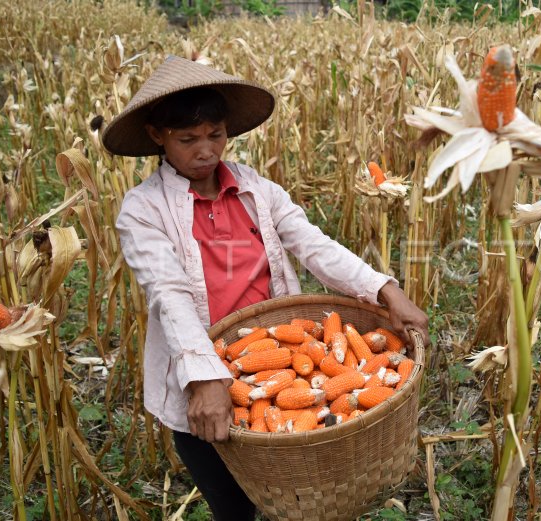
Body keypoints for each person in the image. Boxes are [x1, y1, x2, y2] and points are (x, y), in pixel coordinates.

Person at [103, 55, 429, 521]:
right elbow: (168, 291)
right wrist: (205, 378)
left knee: (298, 499)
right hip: (207, 372)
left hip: (281, 357)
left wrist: (384, 290)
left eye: (215, 135)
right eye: (187, 139)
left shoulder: (257, 189)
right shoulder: (142, 210)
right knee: (234, 508)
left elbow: (315, 246)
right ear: (157, 136)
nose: (205, 151)